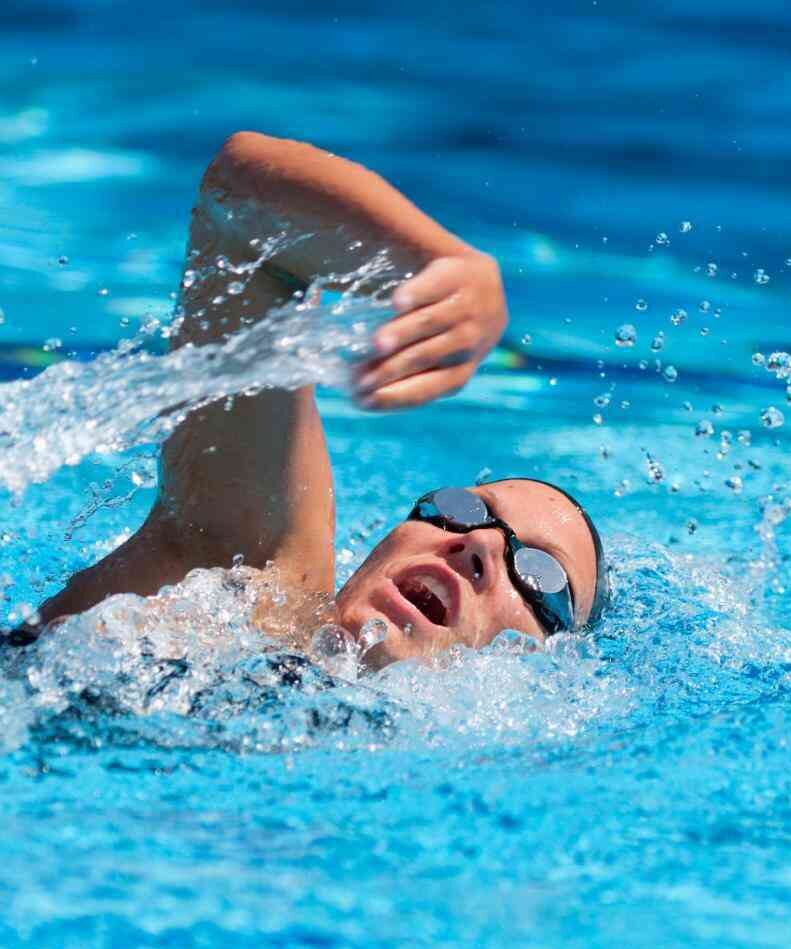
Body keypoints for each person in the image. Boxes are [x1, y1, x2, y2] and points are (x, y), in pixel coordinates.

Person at [11, 132, 608, 669]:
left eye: (539, 574)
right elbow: (240, 210)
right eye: (463, 508)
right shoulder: (247, 591)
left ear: (543, 665)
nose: (478, 543)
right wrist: (438, 263)